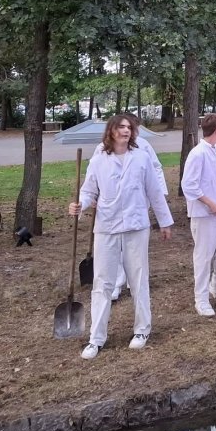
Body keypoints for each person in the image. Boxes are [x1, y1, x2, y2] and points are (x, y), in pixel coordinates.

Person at [68, 113, 173, 360]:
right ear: (111, 131)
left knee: (138, 278)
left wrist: (165, 221)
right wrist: (80, 205)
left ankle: (142, 330)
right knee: (102, 282)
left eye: (129, 127)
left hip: (136, 226)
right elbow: (89, 191)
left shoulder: (141, 158)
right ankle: (96, 338)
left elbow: (154, 191)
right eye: (122, 127)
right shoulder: (99, 160)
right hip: (107, 227)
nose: (126, 131)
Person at [180, 112, 216, 317]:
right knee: (204, 256)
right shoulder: (197, 154)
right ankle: (201, 299)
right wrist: (210, 203)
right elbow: (189, 186)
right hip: (205, 215)